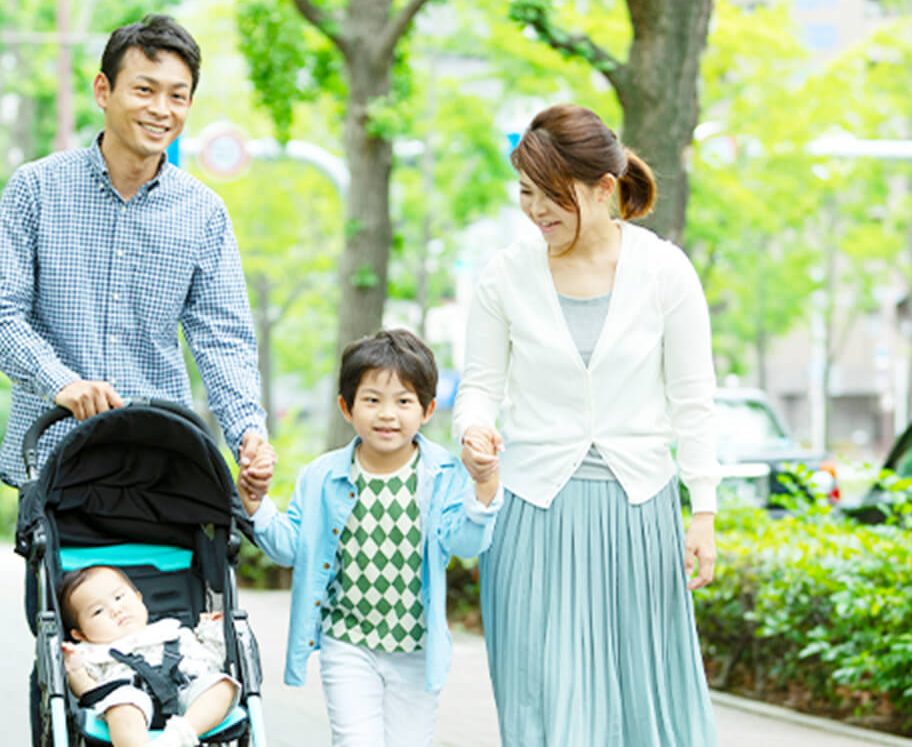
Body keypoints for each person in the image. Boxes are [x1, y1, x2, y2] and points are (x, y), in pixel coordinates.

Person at [0, 13, 275, 745]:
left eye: (178, 95)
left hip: (162, 469)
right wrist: (61, 382)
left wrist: (248, 432)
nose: (161, 109)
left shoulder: (203, 213)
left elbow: (224, 339)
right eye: (145, 89)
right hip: (61, 466)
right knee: (72, 650)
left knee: (188, 637)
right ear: (104, 90)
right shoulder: (37, 189)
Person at [453, 102, 720, 746]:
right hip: (533, 511)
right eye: (526, 192)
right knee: (544, 704)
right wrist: (473, 432)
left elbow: (693, 399)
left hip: (639, 512)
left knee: (646, 703)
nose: (536, 210)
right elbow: (480, 385)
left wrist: (705, 511)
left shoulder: (664, 270)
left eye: (552, 194)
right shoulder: (506, 274)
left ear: (604, 188)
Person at [239, 329, 503, 747]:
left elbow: (467, 544)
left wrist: (484, 485)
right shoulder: (322, 476)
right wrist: (256, 504)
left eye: (404, 401)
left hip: (417, 649)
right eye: (372, 400)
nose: (387, 414)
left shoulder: (444, 475)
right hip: (347, 643)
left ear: (428, 409)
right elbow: (291, 549)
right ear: (346, 407)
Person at [59, 565, 239, 747]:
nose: (116, 610)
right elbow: (89, 693)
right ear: (80, 634)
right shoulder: (90, 653)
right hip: (132, 701)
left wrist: (213, 631)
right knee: (122, 707)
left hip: (187, 694)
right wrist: (75, 670)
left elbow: (211, 661)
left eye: (119, 597)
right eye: (98, 611)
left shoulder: (172, 631)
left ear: (139, 598)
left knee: (223, 685)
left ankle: (178, 738)